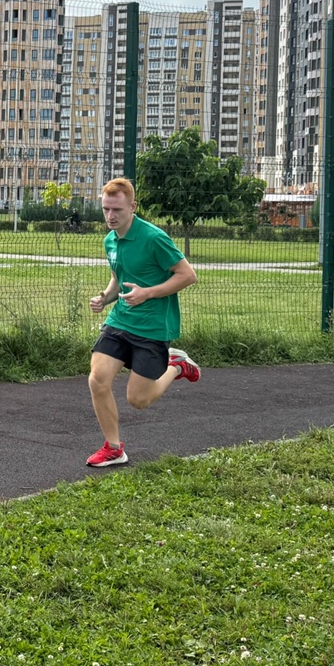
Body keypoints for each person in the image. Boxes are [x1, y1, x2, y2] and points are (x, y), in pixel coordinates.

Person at [85, 177, 200, 468]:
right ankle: (113, 448)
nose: (111, 216)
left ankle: (176, 366)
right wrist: (105, 298)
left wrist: (147, 293)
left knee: (138, 400)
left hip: (152, 327)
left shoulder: (154, 238)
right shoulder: (110, 240)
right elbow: (118, 278)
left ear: (133, 207)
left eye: (117, 210)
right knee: (97, 379)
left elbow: (187, 275)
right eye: (106, 209)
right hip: (121, 319)